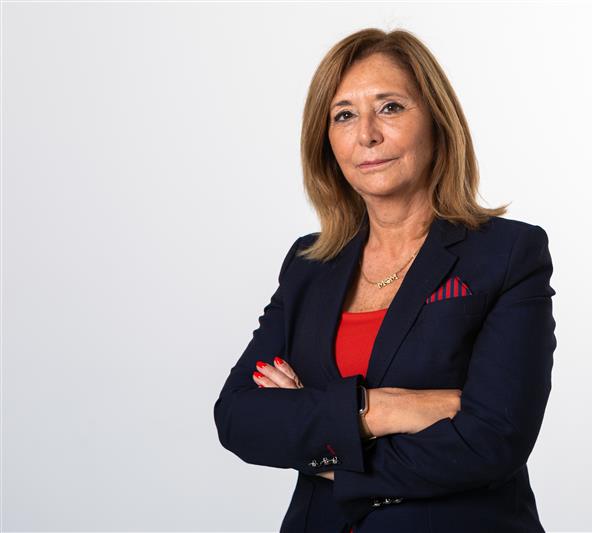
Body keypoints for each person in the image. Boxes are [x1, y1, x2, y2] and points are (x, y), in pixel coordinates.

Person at [213, 27, 557, 533]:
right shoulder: (308, 264)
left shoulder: (506, 254)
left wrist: (319, 435)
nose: (366, 135)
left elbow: (493, 440)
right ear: (326, 141)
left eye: (390, 107)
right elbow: (239, 417)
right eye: (344, 115)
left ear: (437, 121)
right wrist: (376, 409)